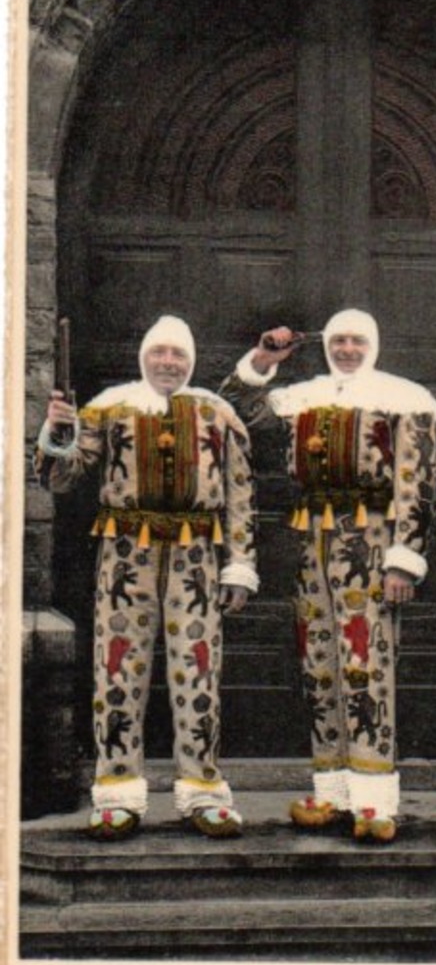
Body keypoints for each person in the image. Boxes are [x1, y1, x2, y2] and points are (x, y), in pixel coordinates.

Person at [220, 308, 436, 842]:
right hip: (311, 542)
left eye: (356, 341)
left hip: (372, 542)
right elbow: (232, 411)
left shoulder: (403, 399)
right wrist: (264, 360)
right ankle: (333, 790)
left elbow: (418, 483)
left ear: (373, 344)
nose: (346, 350)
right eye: (338, 341)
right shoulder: (304, 399)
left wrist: (404, 558)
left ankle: (373, 798)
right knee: (320, 663)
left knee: (366, 661)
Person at [36, 315, 259, 840]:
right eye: (159, 353)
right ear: (144, 357)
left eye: (178, 355)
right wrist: (58, 429)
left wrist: (240, 563)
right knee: (119, 666)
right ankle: (117, 793)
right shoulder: (109, 409)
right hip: (125, 552)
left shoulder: (217, 412)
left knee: (198, 669)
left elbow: (242, 495)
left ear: (191, 360)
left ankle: (203, 791)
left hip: (197, 555)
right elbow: (58, 478)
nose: (168, 363)